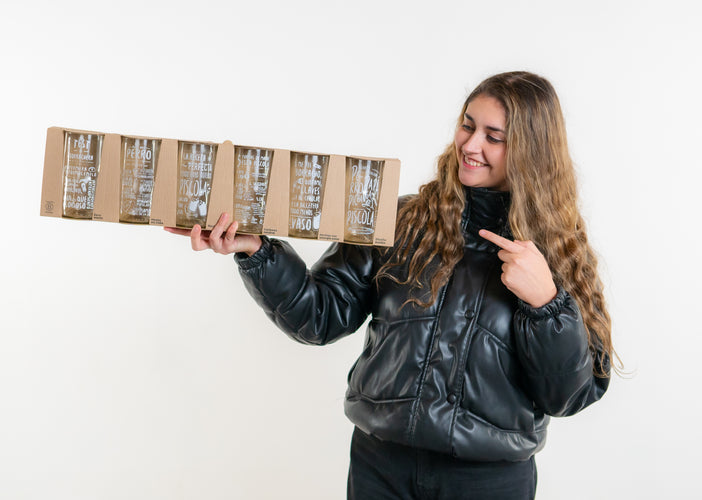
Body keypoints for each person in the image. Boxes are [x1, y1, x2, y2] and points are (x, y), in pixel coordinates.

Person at [165, 71, 616, 500]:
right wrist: (257, 250)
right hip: (380, 467)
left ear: (531, 151)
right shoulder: (401, 220)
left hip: (488, 480)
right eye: (467, 125)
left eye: (493, 137)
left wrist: (546, 304)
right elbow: (319, 316)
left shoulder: (554, 251)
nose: (470, 145)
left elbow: (569, 395)